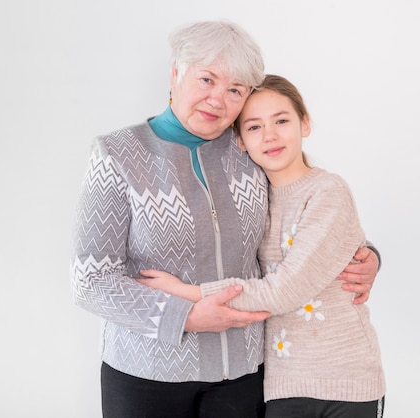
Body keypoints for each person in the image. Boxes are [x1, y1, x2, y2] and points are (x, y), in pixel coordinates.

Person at [70, 21, 381, 418]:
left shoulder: (248, 149)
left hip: (243, 374)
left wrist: (365, 255)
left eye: (235, 90)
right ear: (176, 73)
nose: (218, 99)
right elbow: (91, 281)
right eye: (206, 79)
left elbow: (305, 212)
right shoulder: (117, 155)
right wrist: (186, 316)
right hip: (145, 373)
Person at [137, 74, 386, 418]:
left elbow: (286, 290)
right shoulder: (252, 200)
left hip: (345, 380)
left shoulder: (327, 191)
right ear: (239, 140)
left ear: (305, 124)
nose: (269, 135)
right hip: (283, 385)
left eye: (281, 120)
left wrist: (187, 292)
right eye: (254, 127)